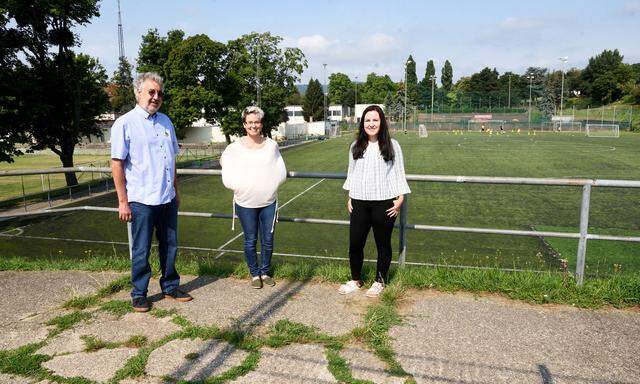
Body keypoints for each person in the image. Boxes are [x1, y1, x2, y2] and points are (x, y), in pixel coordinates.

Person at [111, 72, 193, 312]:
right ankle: (139, 293)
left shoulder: (166, 121)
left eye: (159, 93)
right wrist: (122, 202)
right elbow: (117, 164)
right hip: (141, 199)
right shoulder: (125, 123)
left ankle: (170, 286)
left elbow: (171, 161)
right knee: (141, 249)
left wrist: (176, 192)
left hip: (166, 198)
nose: (156, 97)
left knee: (170, 245)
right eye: (151, 92)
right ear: (138, 93)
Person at [340, 105, 411, 298]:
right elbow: (352, 173)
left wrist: (400, 198)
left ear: (382, 122)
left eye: (375, 120)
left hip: (384, 203)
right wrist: (350, 196)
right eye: (368, 120)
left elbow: (399, 172)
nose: (371, 124)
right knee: (355, 244)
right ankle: (356, 280)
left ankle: (379, 281)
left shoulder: (392, 145)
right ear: (363, 123)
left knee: (383, 244)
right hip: (359, 202)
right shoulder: (355, 146)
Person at [220, 106, 287, 289]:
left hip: (268, 203)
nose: (253, 125)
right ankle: (254, 273)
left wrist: (273, 187)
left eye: (256, 122)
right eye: (249, 122)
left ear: (261, 123)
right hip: (245, 203)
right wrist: (237, 186)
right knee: (250, 240)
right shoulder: (234, 147)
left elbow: (280, 169)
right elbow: (224, 160)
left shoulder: (272, 145)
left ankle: (265, 272)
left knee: (268, 240)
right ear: (244, 125)